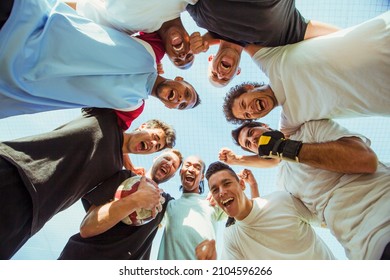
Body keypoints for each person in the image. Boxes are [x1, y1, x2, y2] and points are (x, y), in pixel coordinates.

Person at [0, 106, 176, 260]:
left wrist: (127, 165)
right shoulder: (106, 116)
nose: (153, 143)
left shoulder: (117, 173)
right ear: (143, 126)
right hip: (15, 168)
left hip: (33, 214)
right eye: (154, 137)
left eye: (157, 146)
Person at [0, 0, 200, 119]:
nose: (181, 99)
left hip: (11, 77)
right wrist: (193, 51)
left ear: (169, 107)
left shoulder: (131, 107)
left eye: (182, 105)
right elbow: (164, 24)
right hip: (27, 19)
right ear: (179, 80)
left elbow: (117, 138)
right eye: (187, 94)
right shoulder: (153, 50)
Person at [222, 119, 390, 260]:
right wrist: (240, 164)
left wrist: (282, 148)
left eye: (251, 133)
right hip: (366, 250)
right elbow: (318, 220)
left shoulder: (309, 129)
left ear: (265, 125)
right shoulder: (283, 184)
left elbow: (365, 159)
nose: (252, 141)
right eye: (248, 144)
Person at [223, 11, 390, 135]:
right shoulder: (290, 121)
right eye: (247, 116)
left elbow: (236, 32)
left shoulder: (269, 60)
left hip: (382, 39)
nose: (250, 111)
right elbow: (276, 158)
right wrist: (241, 160)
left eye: (244, 104)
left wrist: (216, 58)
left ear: (249, 87)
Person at [58, 149, 183, 260]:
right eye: (167, 158)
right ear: (156, 158)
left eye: (174, 165)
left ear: (172, 175)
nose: (169, 163)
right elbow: (87, 228)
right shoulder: (125, 177)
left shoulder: (165, 203)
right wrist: (136, 200)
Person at [195, 161, 335, 260]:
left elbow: (326, 220)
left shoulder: (282, 200)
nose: (222, 192)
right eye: (215, 190)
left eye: (227, 184)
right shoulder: (232, 237)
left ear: (242, 184)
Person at [187, 0, 339, 87]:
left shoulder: (202, 19)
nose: (220, 74)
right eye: (225, 79)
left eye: (214, 74)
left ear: (210, 59)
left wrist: (202, 38)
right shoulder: (274, 40)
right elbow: (339, 37)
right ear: (237, 71)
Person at [73, 0, 198, 70]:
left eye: (177, 60)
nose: (182, 56)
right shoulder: (186, 2)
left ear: (166, 53)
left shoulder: (126, 27)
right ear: (192, 41)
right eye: (189, 56)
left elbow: (78, 11)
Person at [157, 155, 227, 260]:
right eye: (187, 165)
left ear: (202, 177)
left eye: (197, 167)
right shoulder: (169, 205)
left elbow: (238, 206)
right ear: (180, 172)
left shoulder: (212, 203)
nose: (191, 169)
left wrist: (221, 190)